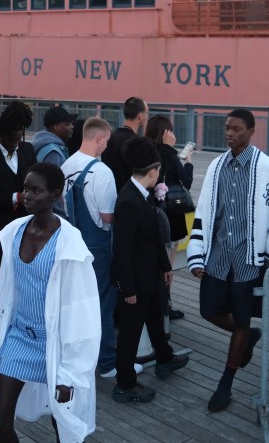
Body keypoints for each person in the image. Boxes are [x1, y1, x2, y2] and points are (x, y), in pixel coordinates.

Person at [187, 108, 269, 412]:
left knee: (240, 318)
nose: (229, 133)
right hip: (218, 256)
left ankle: (226, 382)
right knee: (208, 310)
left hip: (250, 260)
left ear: (251, 131)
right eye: (227, 128)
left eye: (236, 129)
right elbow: (204, 210)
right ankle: (249, 336)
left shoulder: (267, 168)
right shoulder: (216, 166)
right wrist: (197, 253)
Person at [0, 162, 101, 442]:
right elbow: (6, 292)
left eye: (35, 190)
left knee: (62, 424)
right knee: (0, 424)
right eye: (25, 188)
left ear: (54, 195)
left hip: (56, 345)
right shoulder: (14, 231)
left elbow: (83, 314)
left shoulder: (70, 245)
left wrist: (72, 373)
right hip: (17, 337)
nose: (27, 195)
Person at [111, 137, 190, 403]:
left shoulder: (140, 195)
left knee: (156, 318)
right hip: (136, 280)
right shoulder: (128, 201)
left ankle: (164, 358)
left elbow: (153, 236)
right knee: (130, 333)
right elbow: (121, 251)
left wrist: (165, 265)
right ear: (153, 171)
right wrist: (128, 288)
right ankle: (125, 384)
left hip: (150, 274)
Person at [60, 116, 125, 379]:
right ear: (99, 138)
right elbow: (108, 217)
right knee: (103, 305)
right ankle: (107, 362)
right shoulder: (101, 171)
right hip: (97, 247)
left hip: (71, 243)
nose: (107, 147)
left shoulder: (65, 165)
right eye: (107, 141)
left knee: (76, 304)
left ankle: (77, 358)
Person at [145, 114, 194, 318]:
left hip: (149, 211)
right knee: (167, 264)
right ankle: (164, 304)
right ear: (166, 132)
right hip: (170, 215)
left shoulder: (145, 151)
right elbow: (187, 181)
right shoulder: (170, 156)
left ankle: (154, 303)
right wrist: (188, 163)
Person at [0, 101, 37, 267]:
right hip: (1, 228)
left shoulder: (27, 150)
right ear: (1, 132)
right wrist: (15, 197)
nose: (17, 139)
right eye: (12, 135)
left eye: (21, 133)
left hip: (28, 226)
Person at [103, 96, 148, 192]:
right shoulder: (137, 143)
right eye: (146, 113)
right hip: (128, 198)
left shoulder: (109, 137)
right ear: (140, 116)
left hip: (108, 194)